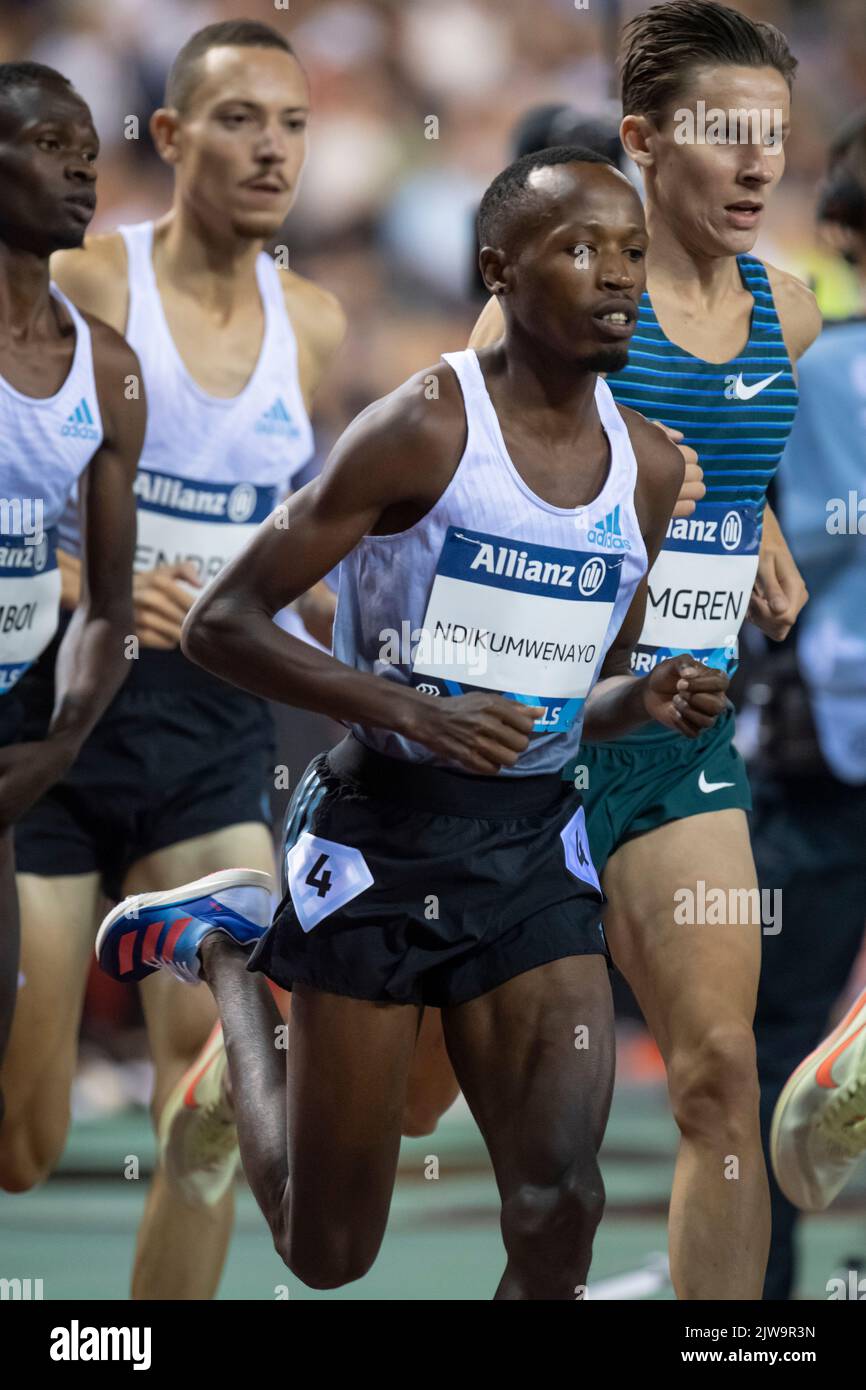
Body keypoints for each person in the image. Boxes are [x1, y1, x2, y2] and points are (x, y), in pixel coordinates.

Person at [96, 146, 730, 1299]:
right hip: (382, 833)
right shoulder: (420, 426)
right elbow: (221, 622)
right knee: (327, 1252)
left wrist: (643, 697)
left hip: (533, 852)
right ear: (497, 266)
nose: (617, 277)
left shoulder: (643, 468)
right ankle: (237, 958)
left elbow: (563, 703)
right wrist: (410, 712)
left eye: (631, 252)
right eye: (579, 249)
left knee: (559, 1209)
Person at [469, 0, 821, 1299]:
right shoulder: (559, 305)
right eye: (721, 133)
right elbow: (458, 469)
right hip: (515, 737)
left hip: (676, 735)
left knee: (720, 1076)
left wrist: (761, 517)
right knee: (474, 1136)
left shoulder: (789, 302)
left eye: (772, 135)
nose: (754, 162)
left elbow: (729, 462)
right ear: (640, 140)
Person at [0, 21, 343, 1302]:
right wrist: (94, 576)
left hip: (209, 745)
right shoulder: (87, 285)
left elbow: (309, 534)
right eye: (242, 118)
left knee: (206, 1116)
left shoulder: (310, 324)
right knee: (23, 1147)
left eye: (294, 123)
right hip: (60, 723)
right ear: (172, 135)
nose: (272, 147)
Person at [0, 60, 143, 1121]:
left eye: (90, 148)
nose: (82, 166)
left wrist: (58, 745)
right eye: (51, 145)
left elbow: (106, 600)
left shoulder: (104, 367)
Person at [753, 108, 866, 1294]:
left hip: (822, 738)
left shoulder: (810, 366)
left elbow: (781, 562)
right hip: (825, 728)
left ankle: (756, 1301)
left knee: (767, 1039)